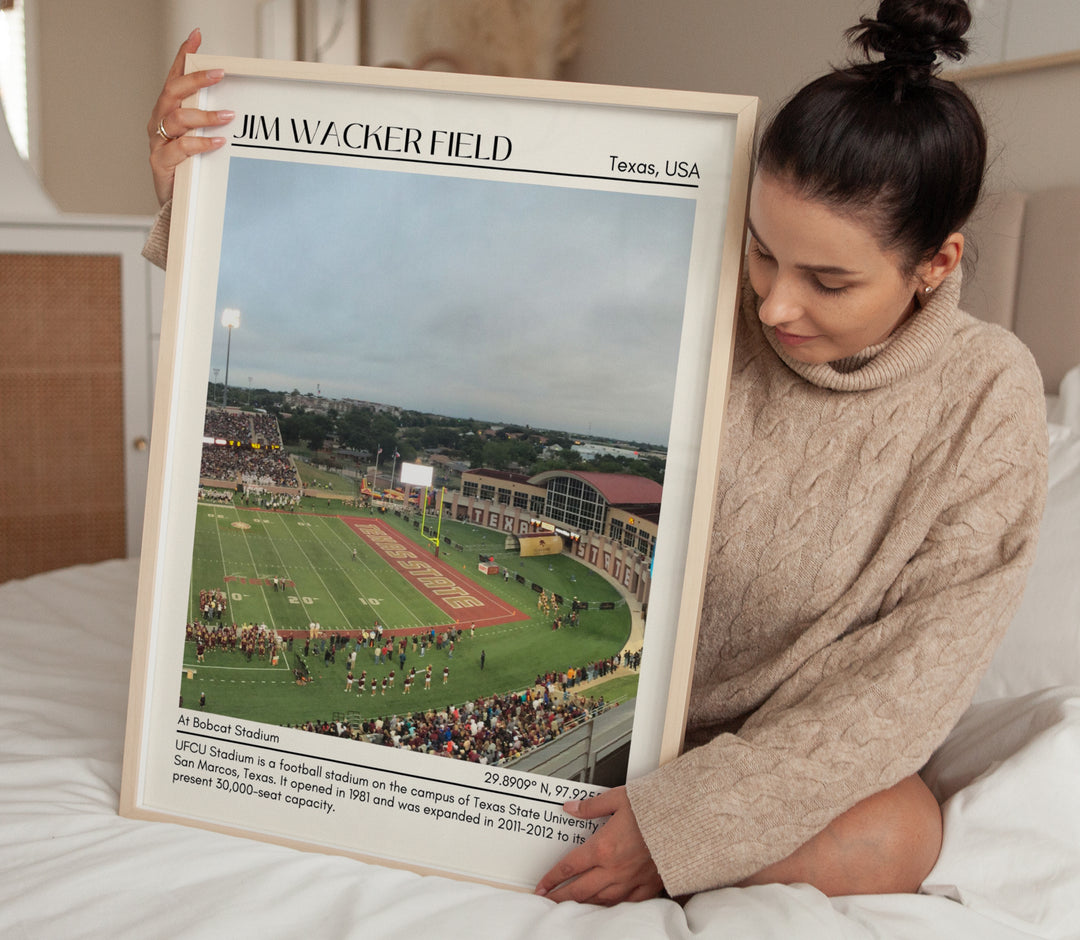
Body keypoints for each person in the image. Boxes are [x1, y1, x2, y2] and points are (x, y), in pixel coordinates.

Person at [145, 1, 1046, 905]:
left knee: (901, 834)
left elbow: (906, 690)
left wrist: (687, 825)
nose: (773, 305)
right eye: (764, 254)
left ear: (936, 263)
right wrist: (204, 197)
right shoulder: (706, 297)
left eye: (829, 280)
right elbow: (487, 291)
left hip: (776, 756)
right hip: (621, 725)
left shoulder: (987, 397)